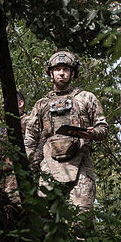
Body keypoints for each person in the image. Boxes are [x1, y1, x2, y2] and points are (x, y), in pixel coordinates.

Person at [24, 51, 108, 210]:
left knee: (81, 221)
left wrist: (92, 133)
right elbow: (30, 140)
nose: (61, 73)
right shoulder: (41, 105)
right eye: (57, 69)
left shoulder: (86, 98)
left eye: (66, 69)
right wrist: (28, 168)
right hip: (49, 168)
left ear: (73, 73)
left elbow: (103, 128)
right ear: (51, 72)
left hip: (81, 167)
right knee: (47, 221)